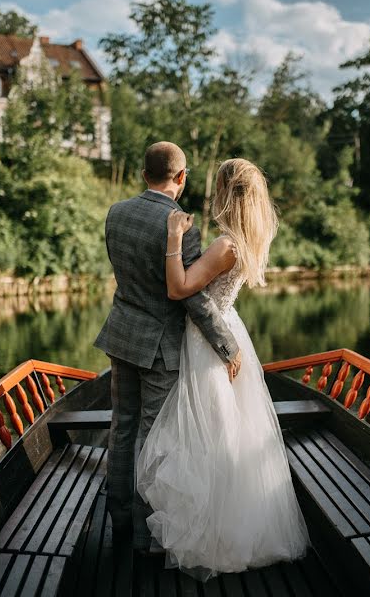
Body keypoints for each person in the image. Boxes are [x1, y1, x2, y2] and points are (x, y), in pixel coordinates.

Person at [136, 157, 310, 580]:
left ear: (225, 192)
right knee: (226, 431)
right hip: (228, 331)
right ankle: (233, 526)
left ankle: (214, 532)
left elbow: (179, 288)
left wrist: (174, 237)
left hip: (205, 341)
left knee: (208, 433)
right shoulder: (246, 239)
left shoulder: (224, 246)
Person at [94, 141, 242, 554]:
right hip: (160, 348)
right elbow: (191, 297)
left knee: (121, 429)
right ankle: (148, 538)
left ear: (144, 175)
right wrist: (226, 345)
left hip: (121, 336)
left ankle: (120, 524)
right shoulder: (182, 226)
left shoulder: (116, 213)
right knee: (154, 437)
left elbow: (126, 275)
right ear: (181, 177)